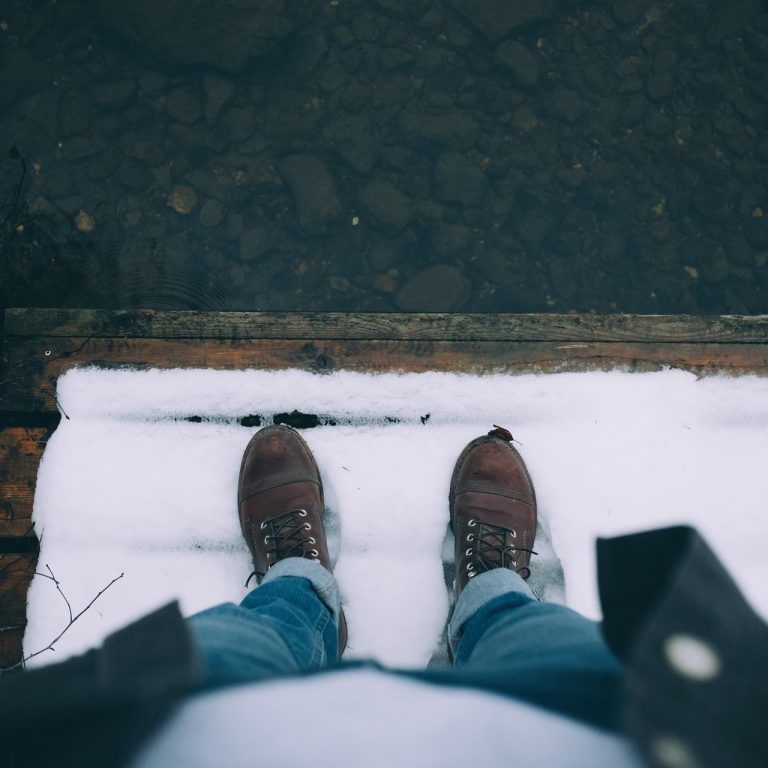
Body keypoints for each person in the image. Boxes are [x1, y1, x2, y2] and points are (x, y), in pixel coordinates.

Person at [2, 426, 766, 768]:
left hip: (192, 737)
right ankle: (490, 595)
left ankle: (299, 590)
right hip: (595, 727)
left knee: (238, 643)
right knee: (543, 641)